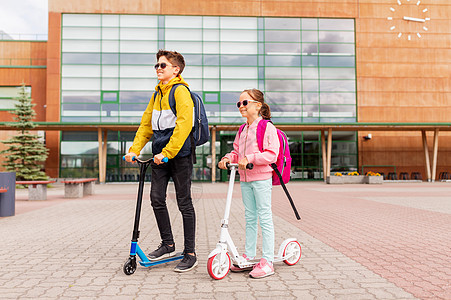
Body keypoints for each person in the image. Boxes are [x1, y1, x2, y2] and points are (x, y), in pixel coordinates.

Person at [124, 50, 197, 273]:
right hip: (159, 155)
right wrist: (133, 150)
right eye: (156, 65)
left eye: (162, 65)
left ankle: (190, 253)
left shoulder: (180, 91)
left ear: (176, 69)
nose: (158, 68)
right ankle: (168, 244)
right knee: (156, 198)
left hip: (179, 155)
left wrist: (168, 152)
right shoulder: (156, 94)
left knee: (184, 202)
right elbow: (146, 125)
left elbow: (185, 125)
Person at [218, 89, 280, 279]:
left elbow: (272, 154)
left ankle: (268, 260)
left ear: (258, 106)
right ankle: (249, 255)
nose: (241, 107)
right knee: (250, 217)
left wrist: (251, 157)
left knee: (265, 216)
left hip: (261, 178)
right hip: (245, 179)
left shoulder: (266, 128)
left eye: (245, 103)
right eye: (239, 104)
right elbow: (237, 152)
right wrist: (227, 158)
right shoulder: (243, 129)